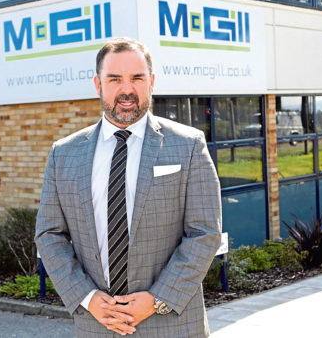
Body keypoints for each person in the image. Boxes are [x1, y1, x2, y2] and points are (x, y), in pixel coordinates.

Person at [35, 37, 221, 337]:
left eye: (137, 78)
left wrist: (157, 300)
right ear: (98, 85)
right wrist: (87, 297)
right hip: (97, 324)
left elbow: (204, 233)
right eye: (114, 79)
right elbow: (49, 235)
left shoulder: (188, 145)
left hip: (171, 324)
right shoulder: (63, 154)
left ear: (152, 82)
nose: (126, 89)